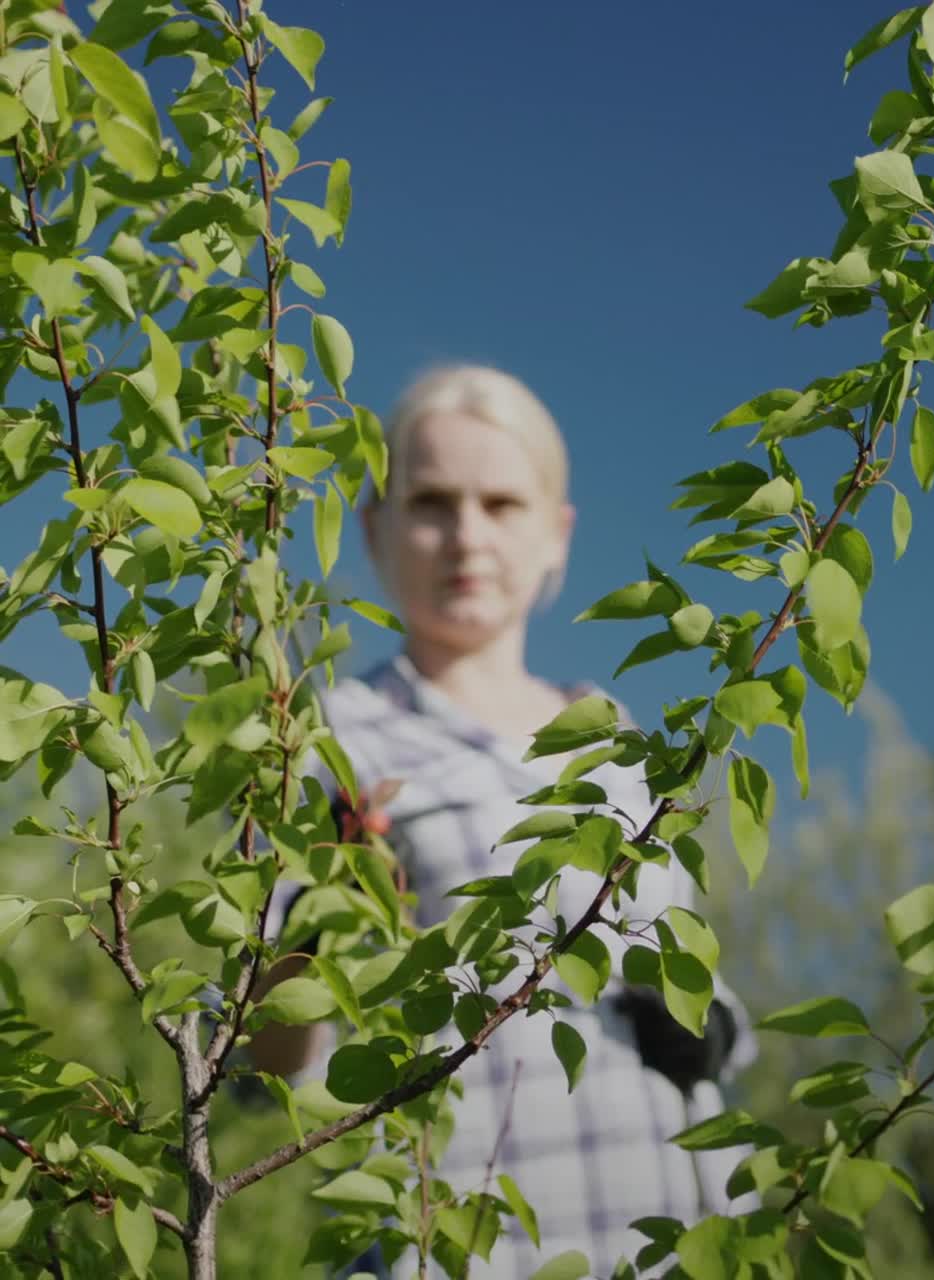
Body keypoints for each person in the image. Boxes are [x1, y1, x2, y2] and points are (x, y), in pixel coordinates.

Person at [252, 365, 756, 1277]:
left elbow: (700, 987)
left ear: (556, 533)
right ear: (374, 526)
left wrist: (704, 1017)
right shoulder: (332, 744)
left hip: (680, 1228)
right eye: (432, 501)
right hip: (465, 1244)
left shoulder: (613, 735)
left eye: (502, 503)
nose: (467, 536)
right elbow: (265, 1065)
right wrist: (312, 920)